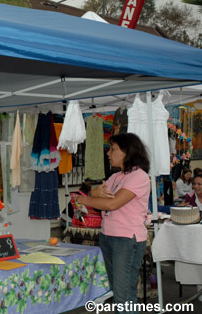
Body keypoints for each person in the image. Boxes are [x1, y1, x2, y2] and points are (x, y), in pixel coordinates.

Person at [75, 133, 150, 313]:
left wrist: (84, 200)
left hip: (126, 239)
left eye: (112, 149)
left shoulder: (139, 176)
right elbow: (94, 193)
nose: (108, 153)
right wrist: (92, 195)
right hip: (108, 236)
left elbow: (112, 203)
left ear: (125, 151)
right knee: (117, 291)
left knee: (123, 294)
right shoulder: (117, 177)